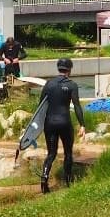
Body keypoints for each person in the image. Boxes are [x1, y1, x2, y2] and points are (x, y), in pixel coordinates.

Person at [38, 57, 86, 193]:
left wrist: (38, 126)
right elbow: (77, 106)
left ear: (58, 68)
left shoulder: (48, 84)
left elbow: (41, 106)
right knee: (68, 153)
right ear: (69, 69)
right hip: (65, 123)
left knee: (51, 154)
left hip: (50, 123)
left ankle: (44, 178)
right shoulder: (72, 85)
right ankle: (68, 181)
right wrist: (82, 124)